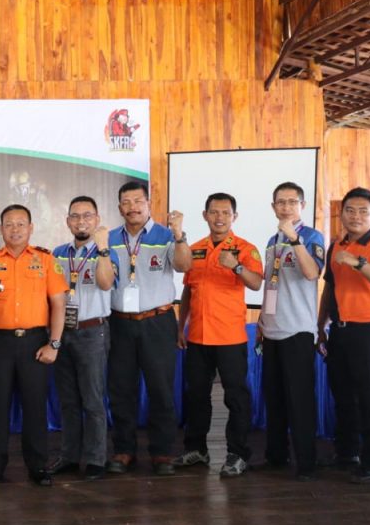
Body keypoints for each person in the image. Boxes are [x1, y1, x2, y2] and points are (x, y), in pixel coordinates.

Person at [0, 204, 67, 486]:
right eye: (9, 224)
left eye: (21, 224)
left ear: (31, 228)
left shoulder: (45, 259)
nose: (15, 229)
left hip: (35, 341)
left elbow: (59, 303)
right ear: (0, 229)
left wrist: (54, 344)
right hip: (0, 343)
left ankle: (38, 466)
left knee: (35, 406)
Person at [175, 193, 263, 477]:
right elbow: (188, 291)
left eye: (226, 213)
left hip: (230, 337)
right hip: (198, 335)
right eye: (214, 212)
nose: (219, 218)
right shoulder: (195, 249)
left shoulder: (245, 249)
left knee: (235, 398)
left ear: (234, 217)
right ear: (205, 215)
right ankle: (196, 449)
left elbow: (256, 284)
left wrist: (236, 266)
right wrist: (180, 326)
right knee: (196, 395)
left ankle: (237, 454)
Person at [106, 182, 192, 476]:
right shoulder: (109, 238)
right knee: (121, 389)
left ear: (148, 203)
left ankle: (162, 452)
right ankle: (124, 450)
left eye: (137, 201)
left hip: (158, 321)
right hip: (119, 322)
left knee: (161, 389)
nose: (132, 207)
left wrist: (179, 235)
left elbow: (184, 266)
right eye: (126, 202)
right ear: (120, 208)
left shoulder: (166, 235)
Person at [318, 187, 370, 483]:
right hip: (340, 332)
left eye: (363, 211)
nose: (355, 216)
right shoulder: (336, 246)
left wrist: (360, 262)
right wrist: (320, 326)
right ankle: (346, 453)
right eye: (350, 210)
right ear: (341, 214)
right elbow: (330, 288)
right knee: (343, 397)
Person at [256, 182, 325, 479]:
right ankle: (276, 456)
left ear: (302, 206)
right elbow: (272, 284)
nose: (286, 207)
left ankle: (306, 463)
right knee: (274, 399)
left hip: (298, 331)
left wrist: (295, 240)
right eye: (280, 202)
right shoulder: (272, 240)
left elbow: (312, 273)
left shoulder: (311, 236)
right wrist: (262, 319)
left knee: (300, 401)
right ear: (273, 207)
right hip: (271, 330)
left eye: (292, 202)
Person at [49, 196, 118, 481]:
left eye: (87, 216)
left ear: (97, 220)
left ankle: (95, 459)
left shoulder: (107, 252)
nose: (81, 221)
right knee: (68, 400)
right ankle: (69, 456)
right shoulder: (57, 253)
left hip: (92, 331)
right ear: (68, 221)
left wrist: (102, 250)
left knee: (92, 399)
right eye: (75, 216)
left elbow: (105, 282)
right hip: (62, 331)